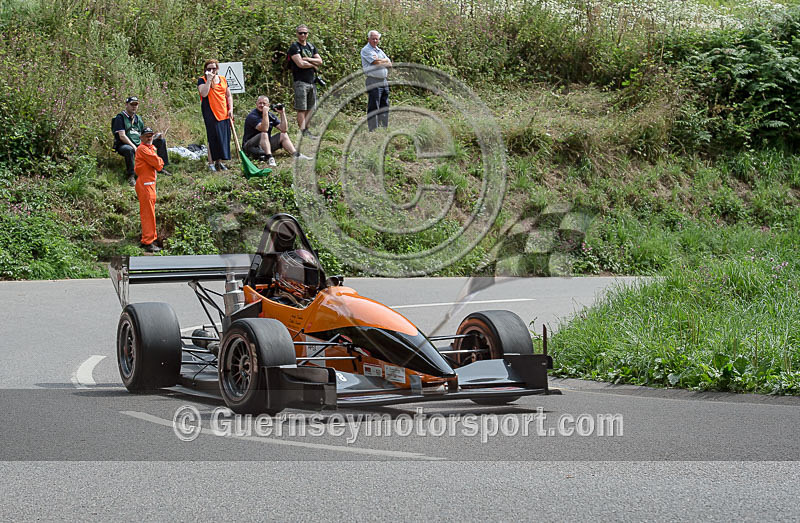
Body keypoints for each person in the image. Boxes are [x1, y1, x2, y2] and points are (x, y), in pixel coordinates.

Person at [111, 96, 169, 186]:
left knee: (161, 141)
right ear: (126, 105)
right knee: (128, 149)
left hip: (140, 143)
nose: (134, 106)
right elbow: (122, 136)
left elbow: (143, 134)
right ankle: (131, 175)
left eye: (136, 104)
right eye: (132, 104)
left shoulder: (138, 118)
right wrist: (135, 147)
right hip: (124, 144)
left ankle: (161, 167)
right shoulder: (120, 117)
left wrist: (154, 137)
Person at [242, 96, 312, 167]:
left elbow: (284, 129)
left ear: (268, 105)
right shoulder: (252, 116)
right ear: (256, 104)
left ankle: (296, 155)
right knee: (264, 133)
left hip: (265, 145)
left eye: (264, 103)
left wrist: (282, 113)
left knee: (283, 134)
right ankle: (270, 157)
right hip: (250, 146)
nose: (262, 105)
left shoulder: (270, 115)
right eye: (260, 103)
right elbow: (264, 129)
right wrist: (265, 113)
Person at [197, 59, 233, 172]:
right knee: (212, 137)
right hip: (210, 111)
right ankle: (211, 163)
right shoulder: (202, 80)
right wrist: (209, 80)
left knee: (222, 137)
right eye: (209, 69)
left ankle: (219, 162)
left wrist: (231, 108)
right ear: (205, 70)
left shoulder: (222, 79)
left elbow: (228, 95)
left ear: (217, 69)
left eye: (214, 68)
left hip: (223, 111)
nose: (212, 70)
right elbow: (203, 93)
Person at [134, 128, 166, 253]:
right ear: (141, 137)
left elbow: (156, 162)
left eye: (151, 136)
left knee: (150, 213)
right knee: (148, 215)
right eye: (146, 136)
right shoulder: (142, 149)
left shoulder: (149, 148)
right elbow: (158, 164)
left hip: (149, 184)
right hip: (145, 185)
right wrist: (159, 161)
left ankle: (150, 239)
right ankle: (148, 241)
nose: (149, 138)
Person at [287, 24, 322, 137]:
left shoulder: (311, 47)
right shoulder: (294, 47)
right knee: (301, 108)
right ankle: (302, 131)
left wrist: (307, 59)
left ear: (308, 34)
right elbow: (300, 64)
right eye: (300, 33)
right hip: (300, 81)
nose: (303, 35)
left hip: (312, 81)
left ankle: (307, 130)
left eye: (305, 33)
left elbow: (320, 61)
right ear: (297, 34)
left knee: (311, 108)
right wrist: (313, 64)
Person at [361, 30, 392, 132]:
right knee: (374, 106)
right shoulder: (366, 50)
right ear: (368, 39)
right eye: (373, 38)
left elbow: (390, 63)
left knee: (384, 105)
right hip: (373, 81)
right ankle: (373, 130)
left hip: (384, 81)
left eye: (376, 39)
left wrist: (381, 60)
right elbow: (375, 62)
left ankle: (383, 128)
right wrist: (383, 61)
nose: (375, 40)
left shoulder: (379, 51)